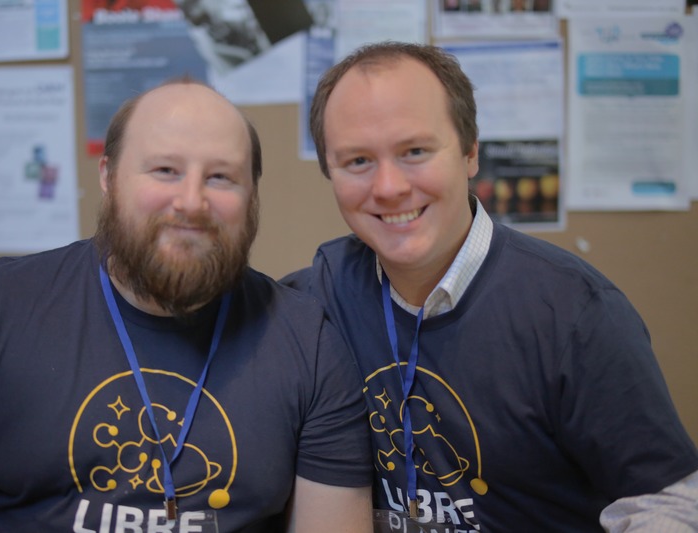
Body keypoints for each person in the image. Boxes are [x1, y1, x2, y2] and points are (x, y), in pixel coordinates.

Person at [0, 79, 373, 533]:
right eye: (165, 170)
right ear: (109, 176)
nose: (191, 201)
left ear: (251, 196)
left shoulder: (308, 342)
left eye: (221, 177)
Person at [282, 41, 698, 532]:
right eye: (357, 161)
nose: (389, 186)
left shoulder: (575, 314)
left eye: (414, 151)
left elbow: (667, 503)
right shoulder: (320, 299)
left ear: (470, 151)